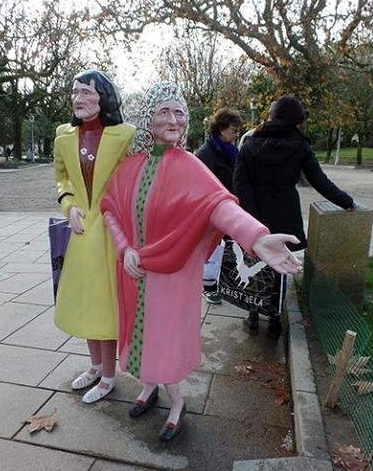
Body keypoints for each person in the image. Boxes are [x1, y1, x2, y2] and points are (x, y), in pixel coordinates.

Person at [101, 82, 301, 441]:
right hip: (133, 272)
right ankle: (148, 389)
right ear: (148, 116)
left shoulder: (191, 167)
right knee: (139, 335)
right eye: (164, 111)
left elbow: (220, 207)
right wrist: (124, 249)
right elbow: (110, 210)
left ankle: (177, 403)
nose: (173, 119)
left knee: (166, 339)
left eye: (179, 112)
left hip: (172, 276)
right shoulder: (130, 165)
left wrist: (256, 236)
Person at [234, 95, 356, 338]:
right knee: (281, 265)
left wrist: (251, 217)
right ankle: (276, 318)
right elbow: (320, 181)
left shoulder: (250, 143)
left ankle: (253, 315)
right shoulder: (300, 146)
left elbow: (240, 183)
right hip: (285, 214)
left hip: (255, 213)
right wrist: (348, 202)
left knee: (255, 263)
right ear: (295, 120)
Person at [53, 69, 135, 403]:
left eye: (87, 92)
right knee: (86, 301)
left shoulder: (125, 135)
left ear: (104, 97)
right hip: (82, 231)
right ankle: (95, 366)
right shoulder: (63, 136)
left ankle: (110, 375)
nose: (79, 99)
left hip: (112, 234)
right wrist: (68, 205)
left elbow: (133, 182)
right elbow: (62, 179)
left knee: (106, 305)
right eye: (75, 92)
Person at [196, 108, 243, 304]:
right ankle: (208, 286)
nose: (237, 133)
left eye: (238, 129)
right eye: (234, 129)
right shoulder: (205, 154)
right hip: (212, 209)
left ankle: (223, 283)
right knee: (214, 248)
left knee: (228, 247)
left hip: (230, 206)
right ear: (221, 129)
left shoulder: (231, 151)